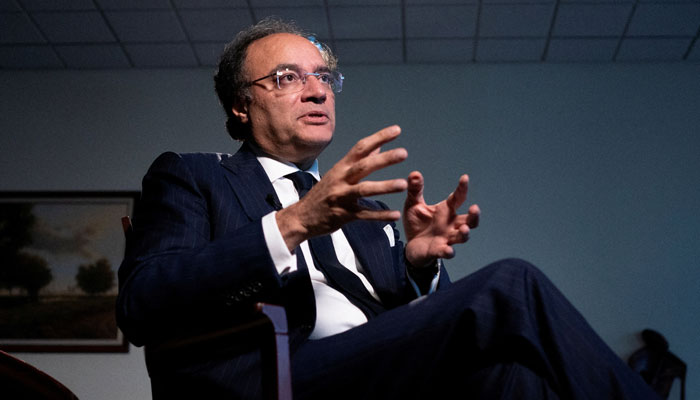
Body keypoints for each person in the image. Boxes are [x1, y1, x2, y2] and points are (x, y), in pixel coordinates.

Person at [116, 18, 660, 400]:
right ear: (240, 104)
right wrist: (294, 222)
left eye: (324, 77)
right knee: (509, 284)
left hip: (384, 372)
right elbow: (143, 302)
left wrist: (419, 267)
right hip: (276, 378)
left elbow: (411, 322)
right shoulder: (194, 175)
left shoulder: (365, 210)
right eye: (288, 77)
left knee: (516, 378)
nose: (317, 91)